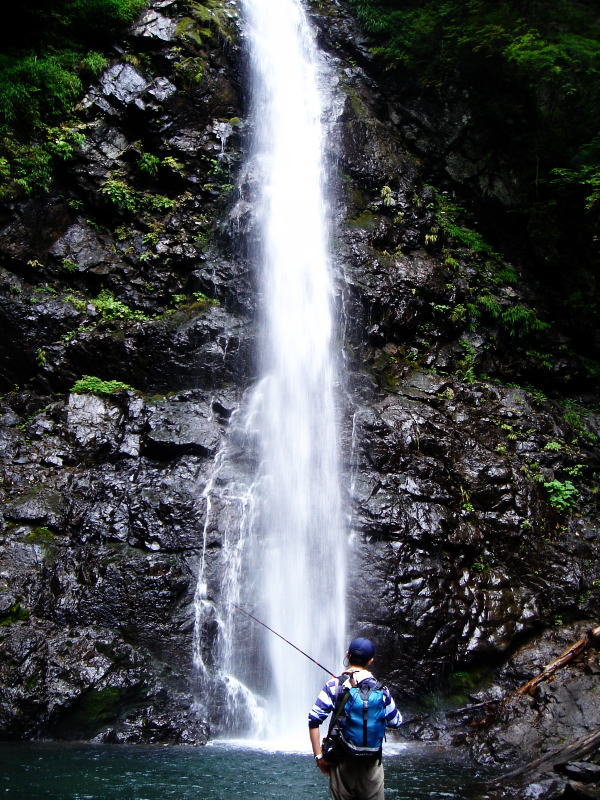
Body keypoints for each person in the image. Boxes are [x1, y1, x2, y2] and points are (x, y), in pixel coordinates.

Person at [308, 637, 402, 800]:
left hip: (341, 764)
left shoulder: (335, 685)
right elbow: (396, 722)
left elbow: (314, 719)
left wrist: (319, 757)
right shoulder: (381, 690)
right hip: (371, 766)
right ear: (371, 661)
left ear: (347, 655)